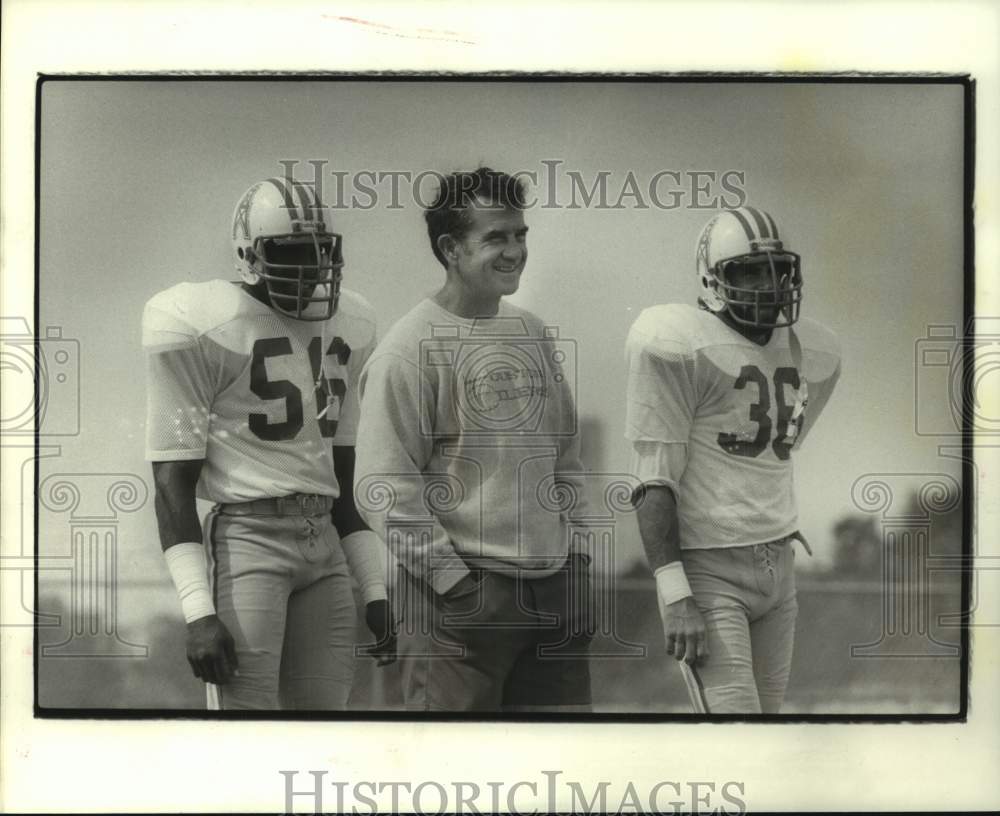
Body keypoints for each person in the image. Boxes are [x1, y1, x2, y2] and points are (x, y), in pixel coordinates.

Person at [143, 176, 394, 710]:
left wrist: (374, 589)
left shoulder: (352, 324)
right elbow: (171, 482)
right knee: (245, 732)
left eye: (322, 251)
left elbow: (341, 484)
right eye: (293, 251)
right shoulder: (202, 323)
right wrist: (197, 611)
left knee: (324, 728)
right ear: (248, 254)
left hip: (324, 544)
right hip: (248, 540)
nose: (313, 267)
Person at [354, 167, 593, 712]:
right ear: (451, 248)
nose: (514, 252)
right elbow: (382, 487)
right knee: (455, 772)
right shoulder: (406, 349)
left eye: (520, 235)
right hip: (458, 602)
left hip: (551, 591)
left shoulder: (531, 332)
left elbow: (567, 458)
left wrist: (576, 561)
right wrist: (458, 585)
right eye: (495, 238)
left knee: (556, 770)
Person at [625, 206, 841, 714]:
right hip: (709, 569)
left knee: (764, 730)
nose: (768, 285)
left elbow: (774, 446)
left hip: (778, 567)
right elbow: (654, 480)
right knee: (736, 734)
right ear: (713, 279)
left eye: (777, 271)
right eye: (749, 271)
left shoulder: (816, 350)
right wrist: (675, 592)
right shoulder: (677, 342)